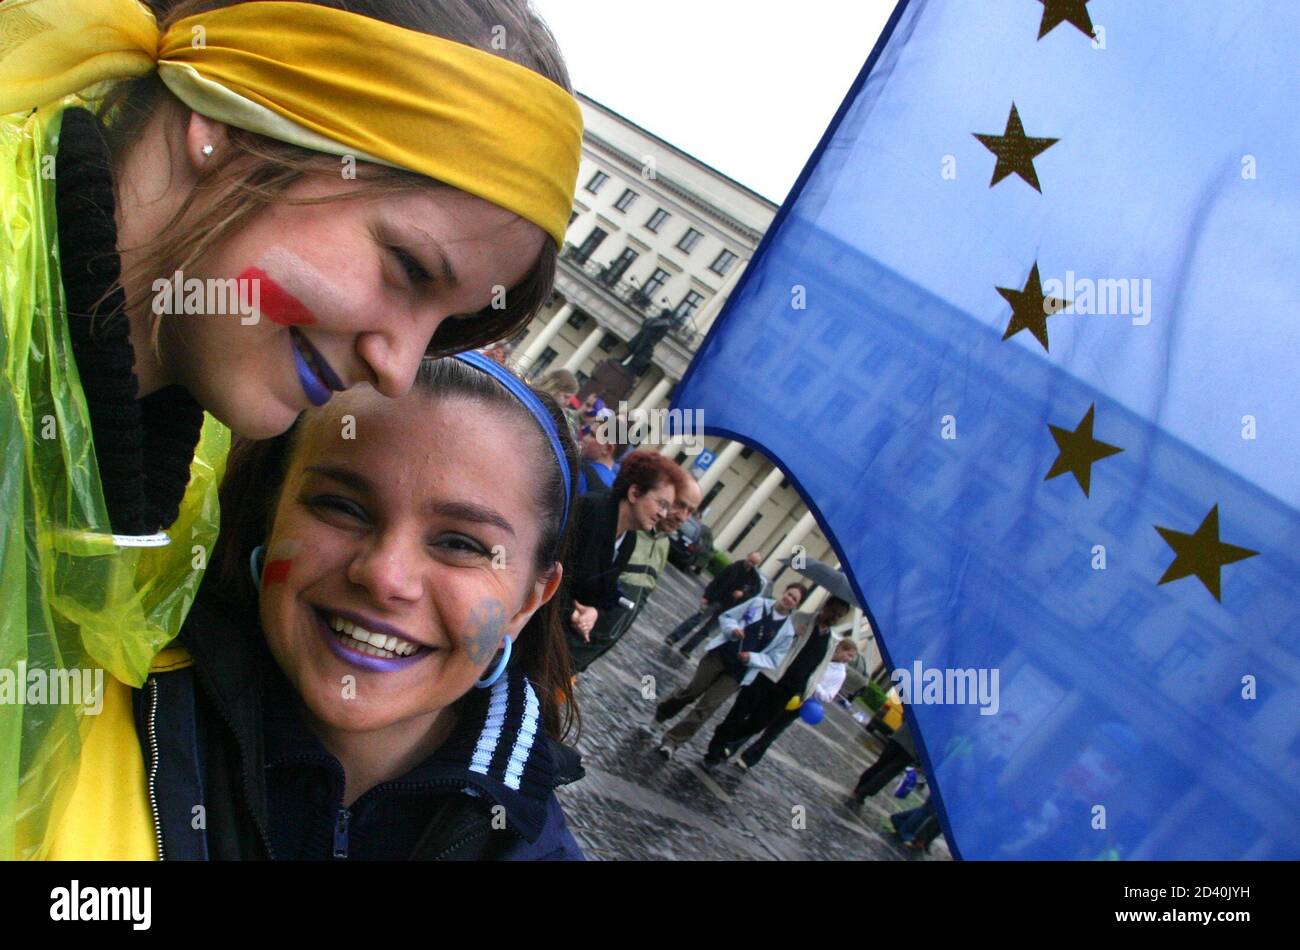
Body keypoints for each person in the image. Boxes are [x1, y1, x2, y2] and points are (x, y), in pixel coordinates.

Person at [1, 0, 581, 858]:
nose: (397, 365)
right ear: (228, 118)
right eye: (408, 267)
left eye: (443, 324)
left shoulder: (165, 463)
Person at [47, 353, 586, 859]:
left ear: (529, 602)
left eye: (461, 544)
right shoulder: (70, 699)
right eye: (341, 506)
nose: (383, 576)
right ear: (271, 509)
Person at [653, 583, 806, 759]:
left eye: (794, 599)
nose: (789, 599)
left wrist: (752, 658)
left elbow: (774, 659)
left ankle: (672, 741)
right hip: (721, 655)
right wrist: (733, 629)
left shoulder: (786, 632)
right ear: (784, 592)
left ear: (796, 605)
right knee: (692, 691)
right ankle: (663, 712)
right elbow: (727, 617)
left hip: (738, 673)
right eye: (789, 594)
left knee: (707, 706)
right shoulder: (757, 603)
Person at [572, 471, 699, 672]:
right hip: (569, 635)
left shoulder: (662, 543)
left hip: (591, 648)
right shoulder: (628, 530)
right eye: (680, 505)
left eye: (691, 511)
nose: (683, 517)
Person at [708, 631, 857, 770]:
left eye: (851, 657)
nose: (848, 659)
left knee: (773, 730)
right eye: (848, 654)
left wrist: (814, 684)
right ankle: (731, 746)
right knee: (761, 718)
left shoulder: (840, 674)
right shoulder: (824, 652)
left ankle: (750, 757)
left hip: (803, 702)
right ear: (840, 648)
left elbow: (829, 696)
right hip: (788, 689)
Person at [665, 550, 766, 656]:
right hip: (716, 599)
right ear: (747, 556)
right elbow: (716, 581)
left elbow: (754, 593)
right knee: (696, 619)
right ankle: (673, 637)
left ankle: (688, 648)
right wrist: (706, 596)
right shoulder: (733, 567)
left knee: (707, 630)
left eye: (754, 563)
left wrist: (743, 594)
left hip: (729, 609)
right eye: (750, 560)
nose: (750, 564)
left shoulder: (754, 579)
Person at [845, 718, 920, 812]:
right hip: (911, 749)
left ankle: (860, 787)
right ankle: (863, 792)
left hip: (900, 737)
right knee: (887, 773)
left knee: (880, 765)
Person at [575, 422, 624, 495]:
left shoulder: (583, 473)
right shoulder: (617, 480)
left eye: (592, 435)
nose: (585, 438)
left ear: (607, 448)